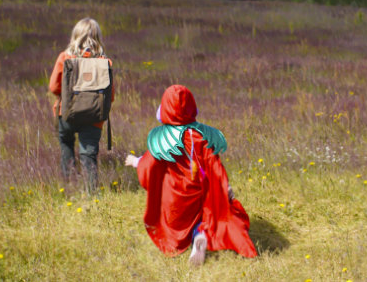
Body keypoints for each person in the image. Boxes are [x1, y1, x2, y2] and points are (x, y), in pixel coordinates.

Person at [124, 85, 257, 266]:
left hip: (174, 201)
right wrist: (223, 186)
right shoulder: (200, 136)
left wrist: (135, 162)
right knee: (207, 211)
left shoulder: (163, 140)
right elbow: (214, 165)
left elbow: (148, 166)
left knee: (173, 221)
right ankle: (199, 234)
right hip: (198, 192)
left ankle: (194, 238)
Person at [49, 17, 112, 190]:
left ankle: (69, 188)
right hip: (94, 117)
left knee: (67, 145)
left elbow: (54, 87)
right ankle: (92, 193)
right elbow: (110, 96)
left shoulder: (64, 58)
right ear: (98, 37)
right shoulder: (105, 62)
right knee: (88, 154)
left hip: (66, 114)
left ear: (75, 35)